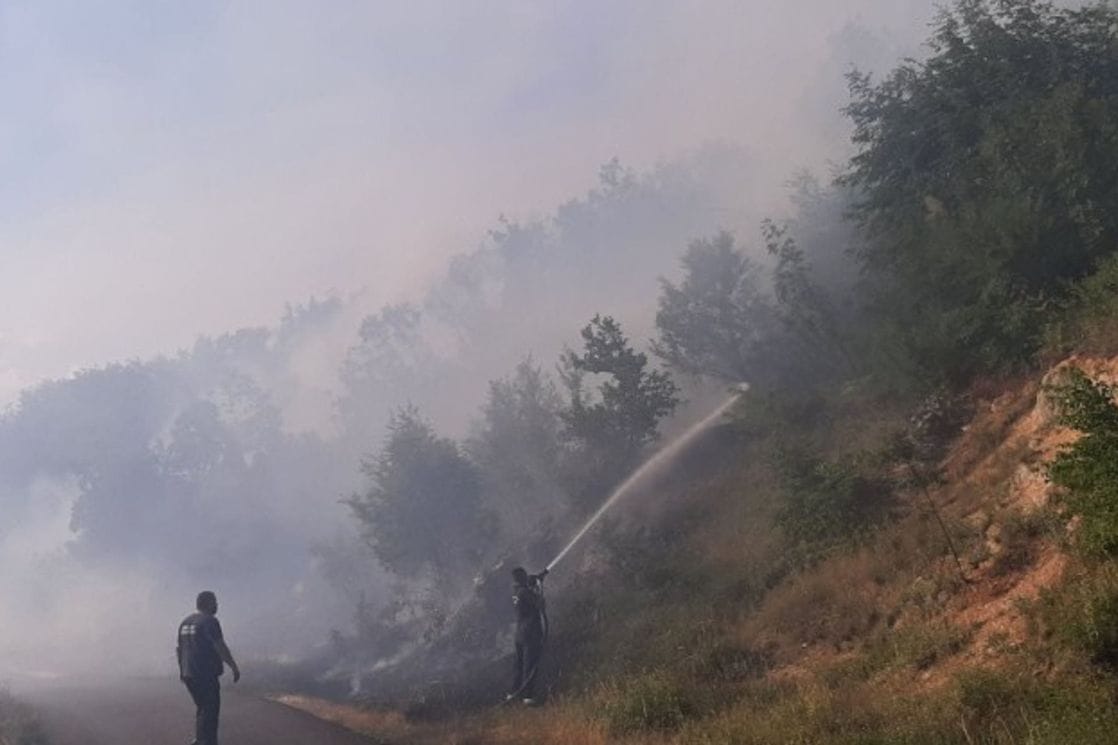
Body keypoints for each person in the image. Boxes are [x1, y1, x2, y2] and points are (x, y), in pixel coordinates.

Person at [177, 591, 241, 745]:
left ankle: (200, 739)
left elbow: (179, 649)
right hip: (204, 674)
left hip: (189, 674)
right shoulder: (210, 621)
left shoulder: (185, 622)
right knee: (210, 711)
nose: (217, 605)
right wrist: (233, 666)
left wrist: (182, 671)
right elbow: (220, 646)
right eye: (215, 602)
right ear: (208, 603)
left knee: (202, 708)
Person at [508, 566, 547, 705]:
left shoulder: (515, 591)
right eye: (525, 575)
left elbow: (526, 597)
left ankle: (513, 693)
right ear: (522, 577)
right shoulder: (525, 592)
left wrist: (533, 584)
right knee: (530, 665)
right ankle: (528, 696)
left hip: (519, 633)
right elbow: (541, 604)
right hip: (530, 633)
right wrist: (539, 586)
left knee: (518, 665)